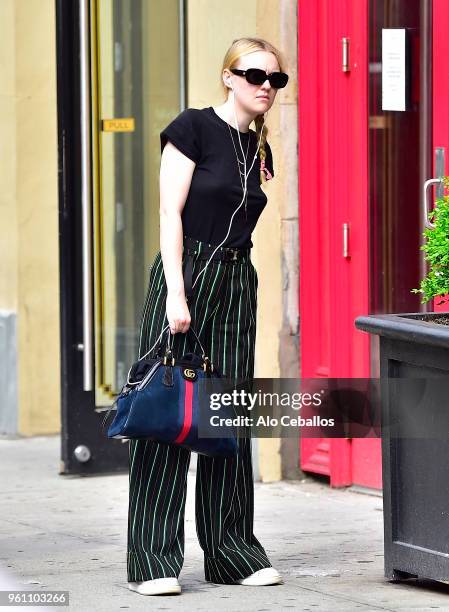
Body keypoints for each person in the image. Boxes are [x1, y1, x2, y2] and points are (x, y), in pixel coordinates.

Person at [127, 36, 289, 597]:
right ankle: (153, 558)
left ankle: (231, 551)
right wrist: (176, 292)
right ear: (228, 77)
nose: (265, 86)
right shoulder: (192, 128)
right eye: (254, 75)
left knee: (227, 415)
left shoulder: (258, 148)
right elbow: (170, 212)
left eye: (275, 79)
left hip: (237, 281)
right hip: (188, 272)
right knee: (169, 411)